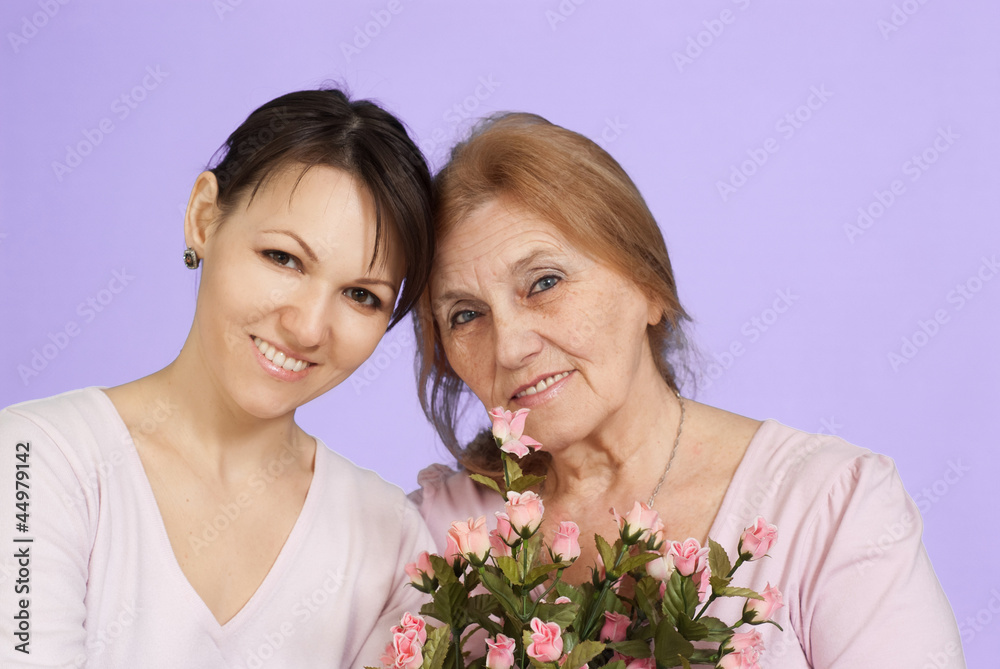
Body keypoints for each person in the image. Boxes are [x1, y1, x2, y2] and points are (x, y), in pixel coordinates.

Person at [410, 113, 966, 667]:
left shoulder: (827, 508)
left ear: (649, 287)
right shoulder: (430, 540)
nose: (509, 347)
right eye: (465, 315)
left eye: (544, 282)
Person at [0, 89, 436, 668]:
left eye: (361, 295)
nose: (308, 327)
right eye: (283, 258)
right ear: (204, 217)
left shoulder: (394, 542)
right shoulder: (38, 459)